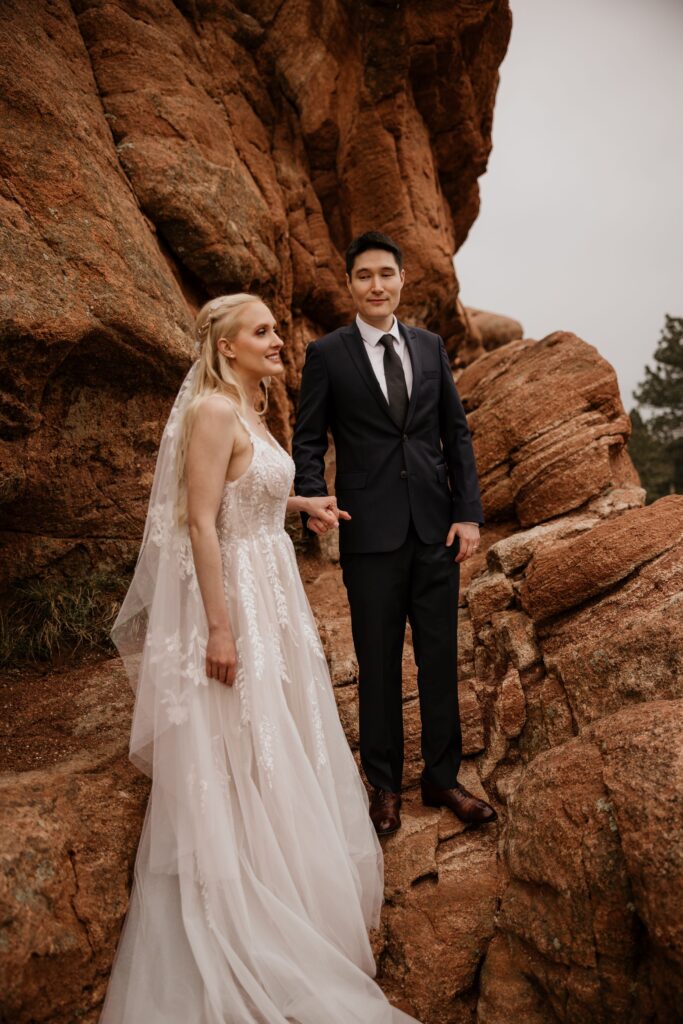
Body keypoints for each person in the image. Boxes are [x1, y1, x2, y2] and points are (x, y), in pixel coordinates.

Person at [101, 293, 420, 1023]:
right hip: (238, 600)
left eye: (276, 329)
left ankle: (297, 889)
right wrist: (219, 629)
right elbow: (201, 524)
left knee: (278, 731)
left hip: (273, 592)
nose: (279, 340)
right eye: (264, 331)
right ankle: (256, 901)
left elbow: (248, 495)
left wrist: (300, 506)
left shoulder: (247, 408)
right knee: (244, 739)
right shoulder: (212, 410)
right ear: (226, 345)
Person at [292, 231, 497, 836]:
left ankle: (442, 778)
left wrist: (468, 513)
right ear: (350, 285)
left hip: (436, 530)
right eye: (364, 276)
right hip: (368, 532)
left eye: (386, 274)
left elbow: (454, 436)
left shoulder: (431, 348)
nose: (376, 285)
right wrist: (312, 497)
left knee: (439, 659)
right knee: (378, 664)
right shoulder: (327, 354)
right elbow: (309, 438)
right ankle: (383, 787)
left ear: (402, 280)